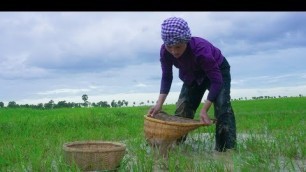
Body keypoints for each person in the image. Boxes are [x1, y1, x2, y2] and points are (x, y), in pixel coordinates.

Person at [147, 16, 236, 152]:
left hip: (217, 72)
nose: (174, 51)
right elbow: (166, 77)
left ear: (186, 41)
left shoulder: (201, 50)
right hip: (191, 74)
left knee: (222, 106)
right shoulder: (165, 52)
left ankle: (225, 150)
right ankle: (176, 145)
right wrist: (159, 103)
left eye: (178, 47)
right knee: (183, 107)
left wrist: (204, 109)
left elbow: (216, 81)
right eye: (169, 46)